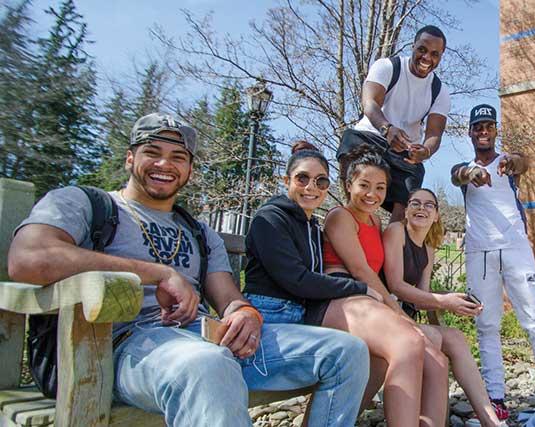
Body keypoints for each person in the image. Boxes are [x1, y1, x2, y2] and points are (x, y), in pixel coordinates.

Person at [7, 113, 371, 427]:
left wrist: (244, 313)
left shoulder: (199, 233)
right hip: (120, 348)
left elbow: (228, 297)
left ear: (190, 169)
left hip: (205, 341)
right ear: (130, 158)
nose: (165, 164)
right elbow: (28, 258)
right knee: (207, 364)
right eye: (153, 152)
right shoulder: (88, 204)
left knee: (348, 351)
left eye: (178, 157)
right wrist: (159, 273)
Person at [244, 140, 433, 427]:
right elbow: (298, 280)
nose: (312, 187)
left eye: (320, 181)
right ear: (286, 181)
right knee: (381, 347)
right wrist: (361, 290)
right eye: (302, 178)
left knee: (374, 357)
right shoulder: (270, 219)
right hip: (269, 324)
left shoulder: (308, 224)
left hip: (298, 320)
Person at [321, 145, 449, 427]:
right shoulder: (340, 216)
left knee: (437, 359)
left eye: (380, 188)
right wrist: (400, 316)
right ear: (348, 184)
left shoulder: (376, 220)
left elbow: (380, 271)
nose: (372, 194)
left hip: (369, 302)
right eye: (364, 185)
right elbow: (360, 270)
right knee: (411, 339)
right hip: (340, 299)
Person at [450, 104, 535, 421]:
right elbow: (457, 175)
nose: (483, 131)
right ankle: (496, 398)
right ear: (470, 132)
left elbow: (522, 163)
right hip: (479, 254)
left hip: (515, 249)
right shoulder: (463, 167)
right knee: (486, 326)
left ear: (496, 130)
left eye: (488, 126)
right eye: (477, 127)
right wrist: (472, 174)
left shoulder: (507, 163)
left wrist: (512, 162)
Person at [383, 188, 504, 426]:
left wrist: (453, 300)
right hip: (386, 312)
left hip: (406, 314)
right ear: (406, 210)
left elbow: (421, 297)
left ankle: (490, 419)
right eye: (415, 203)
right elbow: (396, 285)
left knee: (456, 337)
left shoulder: (428, 246)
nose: (421, 208)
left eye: (429, 205)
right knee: (434, 343)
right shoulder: (395, 232)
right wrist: (444, 302)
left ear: (437, 215)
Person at [337, 25, 450, 223]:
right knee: (350, 141)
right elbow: (370, 103)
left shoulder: (439, 91)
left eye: (434, 54)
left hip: (404, 152)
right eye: (422, 50)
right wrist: (386, 129)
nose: (426, 58)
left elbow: (434, 134)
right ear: (413, 46)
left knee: (410, 189)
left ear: (441, 56)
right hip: (373, 136)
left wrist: (425, 151)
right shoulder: (388, 66)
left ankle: (393, 239)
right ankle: (351, 218)